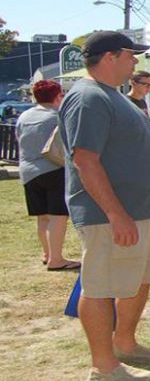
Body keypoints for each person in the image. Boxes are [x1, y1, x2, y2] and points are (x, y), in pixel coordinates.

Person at [59, 30, 150, 381]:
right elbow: (86, 161)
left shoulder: (107, 95)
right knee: (100, 286)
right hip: (110, 215)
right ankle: (104, 366)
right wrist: (115, 213)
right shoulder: (89, 97)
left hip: (135, 212)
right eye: (130, 55)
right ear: (110, 57)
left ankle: (124, 343)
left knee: (139, 279)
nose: (135, 61)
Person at [16, 80, 77, 270]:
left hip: (28, 170)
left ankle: (48, 253)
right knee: (58, 216)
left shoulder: (24, 116)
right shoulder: (57, 116)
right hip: (53, 169)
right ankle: (56, 259)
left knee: (42, 217)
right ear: (57, 96)